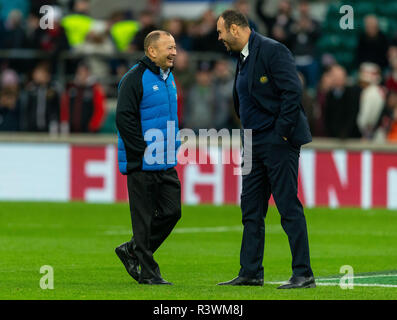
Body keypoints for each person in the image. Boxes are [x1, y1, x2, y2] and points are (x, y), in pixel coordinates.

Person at [216, 10, 315, 289]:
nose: (219, 37)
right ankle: (250, 272)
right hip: (251, 141)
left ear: (235, 29)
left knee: (287, 206)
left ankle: (303, 273)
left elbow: (292, 92)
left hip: (275, 141)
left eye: (221, 31)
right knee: (251, 208)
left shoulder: (273, 50)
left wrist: (281, 134)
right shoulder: (243, 57)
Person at [115, 30, 181, 285]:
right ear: (152, 51)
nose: (174, 52)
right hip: (142, 160)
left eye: (175, 47)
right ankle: (149, 273)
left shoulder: (169, 77)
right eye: (169, 47)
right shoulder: (134, 78)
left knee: (172, 211)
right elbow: (124, 118)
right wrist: (141, 150)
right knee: (142, 219)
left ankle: (131, 249)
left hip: (165, 160)